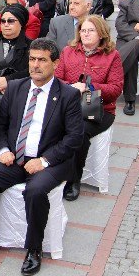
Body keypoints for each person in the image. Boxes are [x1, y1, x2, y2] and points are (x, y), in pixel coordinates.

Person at [0, 38, 83, 276]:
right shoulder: (16, 88)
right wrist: (3, 151)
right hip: (15, 157)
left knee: (35, 191)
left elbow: (74, 138)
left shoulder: (68, 95)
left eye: (42, 60)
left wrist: (43, 161)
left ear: (55, 63)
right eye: (32, 59)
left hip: (49, 162)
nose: (35, 65)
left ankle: (34, 248)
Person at [56, 15, 123, 201]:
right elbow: (57, 78)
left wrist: (90, 87)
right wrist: (70, 86)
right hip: (69, 105)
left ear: (101, 33)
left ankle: (73, 179)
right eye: (83, 30)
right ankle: (52, 172)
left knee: (79, 132)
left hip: (98, 110)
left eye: (91, 30)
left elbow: (116, 89)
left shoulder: (112, 55)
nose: (86, 34)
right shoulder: (68, 51)